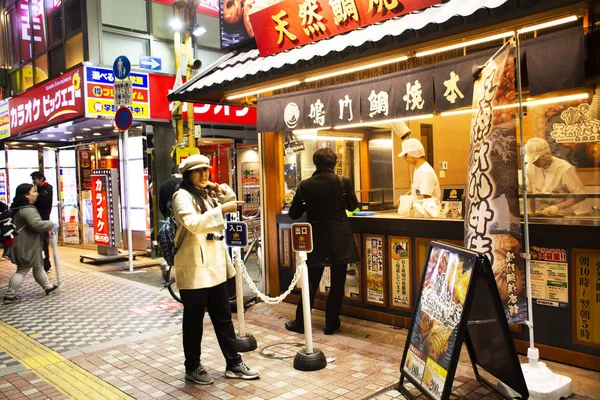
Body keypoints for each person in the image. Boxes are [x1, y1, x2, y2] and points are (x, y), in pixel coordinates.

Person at [171, 154, 260, 384]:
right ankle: (192, 366)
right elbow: (194, 224)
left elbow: (229, 198)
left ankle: (234, 363)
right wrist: (221, 211)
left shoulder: (207, 194)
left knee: (223, 318)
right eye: (198, 171)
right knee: (193, 321)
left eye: (206, 171)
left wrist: (217, 187)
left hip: (215, 267)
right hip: (194, 269)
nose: (203, 175)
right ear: (188, 175)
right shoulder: (182, 196)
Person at [285, 148, 360, 335]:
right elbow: (353, 206)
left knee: (310, 283)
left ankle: (301, 323)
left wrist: (307, 203)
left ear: (316, 163)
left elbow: (293, 214)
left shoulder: (305, 185)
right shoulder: (343, 182)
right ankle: (331, 324)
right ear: (334, 163)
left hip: (315, 239)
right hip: (340, 240)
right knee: (337, 285)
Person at [3, 184, 58, 304]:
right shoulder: (28, 209)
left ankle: (47, 286)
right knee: (22, 270)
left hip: (26, 243)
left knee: (38, 265)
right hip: (26, 245)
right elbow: (36, 224)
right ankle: (10, 295)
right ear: (26, 195)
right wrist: (50, 224)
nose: (37, 194)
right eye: (34, 191)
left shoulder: (19, 207)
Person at [525, 137, 586, 215]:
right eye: (532, 160)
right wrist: (528, 211)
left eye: (536, 159)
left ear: (545, 155)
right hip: (539, 214)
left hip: (562, 215)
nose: (534, 162)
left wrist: (557, 207)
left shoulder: (565, 168)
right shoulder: (530, 167)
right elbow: (528, 193)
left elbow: (580, 195)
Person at [398, 138, 441, 205]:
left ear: (413, 154)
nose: (405, 158)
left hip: (428, 212)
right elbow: (418, 189)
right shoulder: (418, 169)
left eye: (406, 155)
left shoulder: (425, 171)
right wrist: (406, 195)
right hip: (421, 211)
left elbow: (427, 197)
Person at [31, 171, 53, 272]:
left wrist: (35, 195)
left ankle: (46, 265)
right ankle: (41, 264)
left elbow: (43, 203)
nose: (34, 182)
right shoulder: (39, 189)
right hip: (37, 219)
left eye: (35, 179)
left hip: (43, 220)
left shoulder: (47, 189)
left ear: (41, 179)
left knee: (44, 243)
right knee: (38, 244)